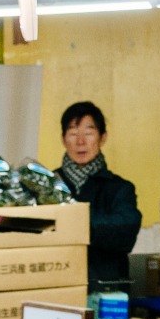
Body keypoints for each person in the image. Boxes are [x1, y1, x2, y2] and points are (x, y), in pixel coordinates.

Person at [56, 100, 141, 292]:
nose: (80, 142)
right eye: (73, 133)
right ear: (63, 139)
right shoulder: (49, 186)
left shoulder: (120, 188)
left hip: (106, 292)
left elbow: (126, 230)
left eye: (88, 133)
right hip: (58, 286)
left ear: (103, 138)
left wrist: (74, 223)